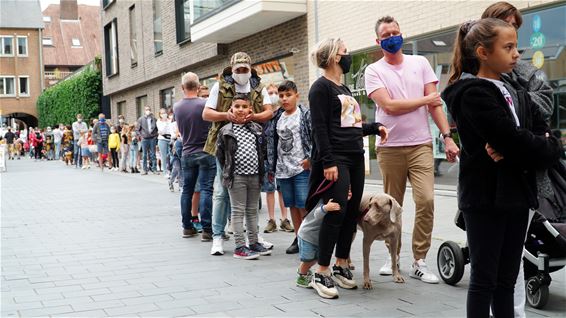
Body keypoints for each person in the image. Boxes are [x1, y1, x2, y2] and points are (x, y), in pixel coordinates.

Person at [442, 18, 560, 318]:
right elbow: (512, 139)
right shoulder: (472, 93)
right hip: (486, 200)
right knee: (484, 280)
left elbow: (548, 140)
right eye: (507, 47)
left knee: (507, 280)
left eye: (516, 46)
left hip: (518, 197)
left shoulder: (517, 91)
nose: (516, 54)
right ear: (483, 52)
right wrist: (526, 145)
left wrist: (526, 147)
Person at [364, 16, 460, 283]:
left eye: (396, 32)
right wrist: (426, 99)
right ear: (378, 40)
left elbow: (435, 104)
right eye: (387, 34)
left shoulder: (420, 63)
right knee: (389, 208)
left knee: (427, 200)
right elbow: (390, 106)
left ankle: (419, 259)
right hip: (390, 148)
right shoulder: (373, 71)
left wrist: (448, 137)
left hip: (420, 144)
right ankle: (392, 257)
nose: (393, 36)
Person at [481, 4, 555, 315]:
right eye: (502, 26)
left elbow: (546, 106)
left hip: (523, 175)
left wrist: (514, 121)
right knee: (491, 260)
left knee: (513, 253)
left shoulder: (528, 72)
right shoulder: (478, 75)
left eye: (514, 28)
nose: (510, 35)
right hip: (485, 178)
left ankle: (515, 312)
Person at [306, 38, 388, 299]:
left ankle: (341, 264)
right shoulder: (320, 88)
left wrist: (374, 127)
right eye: (345, 52)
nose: (348, 55)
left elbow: (350, 126)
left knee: (351, 212)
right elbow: (319, 128)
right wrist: (328, 161)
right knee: (336, 211)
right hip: (336, 159)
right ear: (333, 58)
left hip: (354, 156)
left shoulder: (345, 88)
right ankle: (321, 271)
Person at [202, 52, 273, 255]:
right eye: (238, 70)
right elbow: (206, 113)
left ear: (250, 68)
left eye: (245, 69)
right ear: (231, 70)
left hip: (251, 144)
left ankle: (253, 236)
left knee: (252, 194)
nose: (241, 73)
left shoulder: (258, 86)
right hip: (225, 145)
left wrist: (254, 116)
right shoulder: (220, 86)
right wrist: (227, 115)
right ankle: (218, 236)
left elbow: (269, 111)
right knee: (222, 191)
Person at [216, 93, 271, 259]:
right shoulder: (225, 131)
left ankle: (253, 242)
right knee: (238, 211)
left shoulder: (257, 128)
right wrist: (228, 172)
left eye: (244, 106)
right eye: (237, 106)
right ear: (231, 108)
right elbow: (221, 155)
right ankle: (240, 247)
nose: (241, 110)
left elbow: (262, 151)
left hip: (255, 175)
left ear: (250, 109)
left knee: (252, 210)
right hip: (237, 176)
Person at [266, 80, 312, 255]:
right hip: (283, 170)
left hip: (301, 168)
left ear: (297, 96)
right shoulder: (277, 117)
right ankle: (298, 238)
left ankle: (309, 239)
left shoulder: (305, 114)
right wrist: (272, 166)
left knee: (303, 205)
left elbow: (314, 137)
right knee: (292, 205)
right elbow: (272, 142)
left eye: (288, 95)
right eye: (281, 96)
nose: (284, 99)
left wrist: (311, 159)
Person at [173, 72, 217, 241]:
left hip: (187, 152)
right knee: (206, 190)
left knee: (187, 191)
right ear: (198, 87)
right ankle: (207, 230)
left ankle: (187, 227)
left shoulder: (177, 107)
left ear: (182, 88)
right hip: (206, 151)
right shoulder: (204, 104)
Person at [296, 192, 349, 294]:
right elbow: (316, 214)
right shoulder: (323, 199)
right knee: (308, 259)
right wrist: (325, 208)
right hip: (307, 236)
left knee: (316, 259)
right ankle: (302, 276)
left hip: (317, 237)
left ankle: (305, 271)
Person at [263, 82, 292, 235]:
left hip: (282, 158)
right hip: (267, 158)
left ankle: (284, 219)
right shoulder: (264, 114)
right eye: (271, 92)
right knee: (269, 189)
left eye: (276, 92)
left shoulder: (283, 113)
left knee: (282, 188)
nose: (274, 95)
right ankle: (271, 220)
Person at [137, 106, 158, 175]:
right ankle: (145, 169)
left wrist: (155, 136)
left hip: (152, 138)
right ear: (144, 111)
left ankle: (154, 169)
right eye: (146, 110)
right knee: (144, 155)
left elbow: (157, 129)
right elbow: (138, 130)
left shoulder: (154, 119)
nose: (148, 111)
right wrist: (141, 136)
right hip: (144, 139)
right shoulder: (140, 119)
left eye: (149, 109)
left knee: (153, 154)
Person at [157, 108, 173, 178]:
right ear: (160, 115)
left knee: (171, 156)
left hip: (170, 139)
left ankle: (171, 171)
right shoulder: (158, 121)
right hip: (162, 139)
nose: (164, 114)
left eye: (165, 113)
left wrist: (168, 121)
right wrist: (165, 123)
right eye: (162, 113)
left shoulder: (170, 120)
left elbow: (171, 129)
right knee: (164, 156)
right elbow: (161, 131)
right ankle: (165, 172)